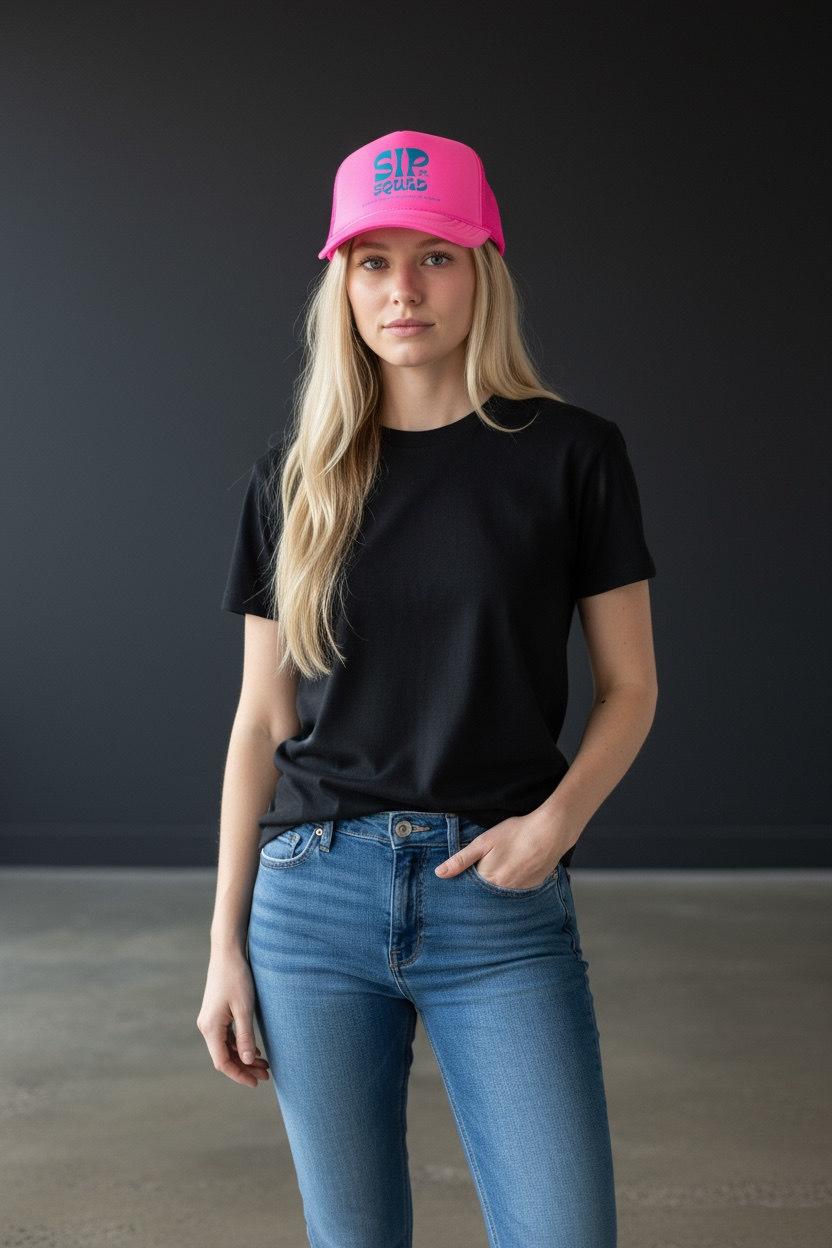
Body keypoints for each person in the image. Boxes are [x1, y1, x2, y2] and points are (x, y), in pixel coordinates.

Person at [197, 129, 658, 1248]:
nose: (402, 290)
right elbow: (262, 723)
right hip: (309, 903)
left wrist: (552, 828)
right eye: (373, 261)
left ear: (483, 267)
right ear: (342, 283)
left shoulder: (573, 456)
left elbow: (630, 686)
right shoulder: (292, 480)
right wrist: (222, 948)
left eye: (435, 257)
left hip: (495, 897)